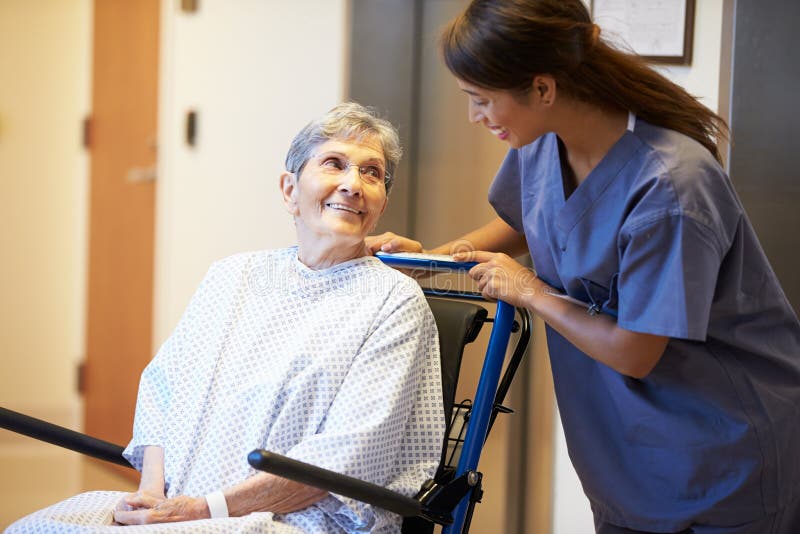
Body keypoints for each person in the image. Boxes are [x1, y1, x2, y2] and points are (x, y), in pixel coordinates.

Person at [367, 1, 800, 532]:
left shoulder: (670, 186)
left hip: (718, 458)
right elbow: (534, 220)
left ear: (543, 89)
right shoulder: (540, 141)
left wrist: (532, 292)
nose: (474, 117)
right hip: (624, 457)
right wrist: (429, 261)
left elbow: (635, 351)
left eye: (481, 100)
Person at [9, 102, 445, 533]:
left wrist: (203, 511)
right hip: (180, 510)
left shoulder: (393, 302)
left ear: (382, 203)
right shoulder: (234, 275)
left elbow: (346, 457)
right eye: (334, 164)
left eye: (371, 173)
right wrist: (152, 494)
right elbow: (165, 387)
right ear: (289, 190)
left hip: (291, 521)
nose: (353, 184)